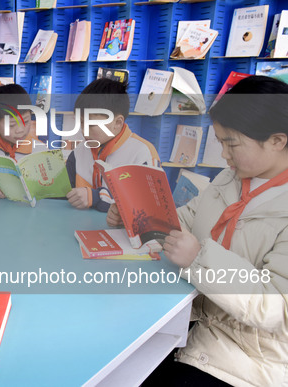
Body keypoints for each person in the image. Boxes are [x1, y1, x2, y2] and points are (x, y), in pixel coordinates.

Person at [108, 75, 288, 386]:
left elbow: (274, 307)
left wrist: (199, 258)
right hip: (191, 323)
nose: (223, 155)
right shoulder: (228, 179)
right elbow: (183, 222)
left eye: (231, 143)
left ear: (277, 140)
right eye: (220, 142)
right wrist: (135, 214)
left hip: (245, 359)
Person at [66, 78, 160, 211]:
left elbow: (149, 206)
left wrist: (96, 197)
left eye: (91, 124)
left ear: (117, 123)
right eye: (81, 123)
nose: (84, 131)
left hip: (122, 231)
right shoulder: (78, 153)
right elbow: (65, 195)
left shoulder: (143, 153)